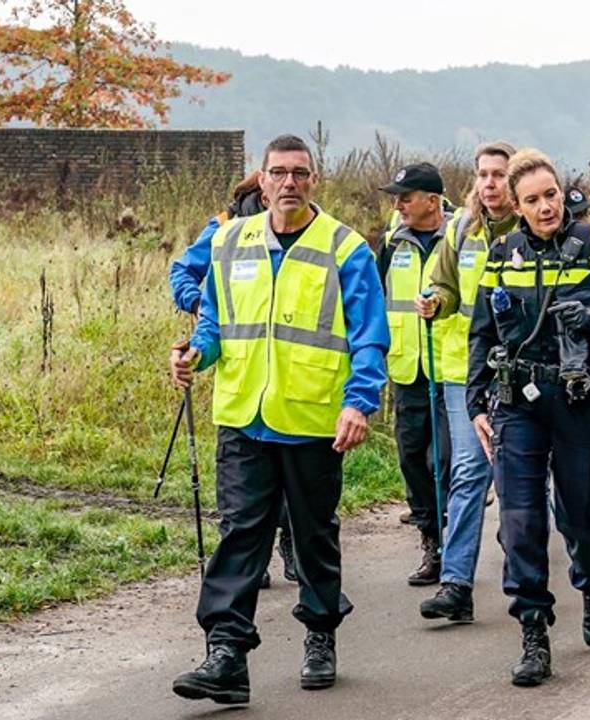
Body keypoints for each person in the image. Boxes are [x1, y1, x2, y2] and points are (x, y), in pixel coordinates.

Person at [167, 134, 387, 702]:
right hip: (242, 416)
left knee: (313, 536)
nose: (289, 182)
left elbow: (370, 338)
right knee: (241, 533)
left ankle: (319, 632)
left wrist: (359, 402)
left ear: (314, 181)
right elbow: (215, 323)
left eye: (300, 173)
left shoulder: (346, 249)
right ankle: (226, 655)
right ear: (260, 182)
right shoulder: (228, 241)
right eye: (278, 173)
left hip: (313, 420)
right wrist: (196, 353)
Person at [466, 148, 590, 687]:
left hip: (582, 397)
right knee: (519, 521)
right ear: (515, 207)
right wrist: (477, 404)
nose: (545, 207)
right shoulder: (502, 252)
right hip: (519, 403)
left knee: (581, 517)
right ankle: (533, 632)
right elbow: (482, 332)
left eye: (550, 195)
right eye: (532, 201)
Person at [168, 171, 298, 589]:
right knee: (247, 481)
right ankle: (255, 560)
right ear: (260, 196)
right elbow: (182, 271)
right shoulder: (224, 227)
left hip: (294, 375)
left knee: (291, 473)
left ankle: (288, 547)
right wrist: (205, 307)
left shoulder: (307, 228)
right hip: (240, 374)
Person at [414, 141, 519, 622]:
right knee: (468, 474)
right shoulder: (461, 230)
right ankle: (457, 584)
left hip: (521, 374)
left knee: (520, 477)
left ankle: (525, 578)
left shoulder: (534, 227)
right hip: (468, 375)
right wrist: (435, 300)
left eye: (499, 174)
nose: (490, 183)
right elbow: (446, 287)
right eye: (483, 174)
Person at [379, 162, 456, 585]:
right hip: (407, 367)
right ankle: (431, 539)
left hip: (450, 366)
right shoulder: (393, 242)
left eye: (405, 197)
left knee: (443, 459)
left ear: (432, 200)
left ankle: (451, 539)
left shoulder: (460, 237)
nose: (398, 204)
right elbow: (376, 296)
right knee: (411, 458)